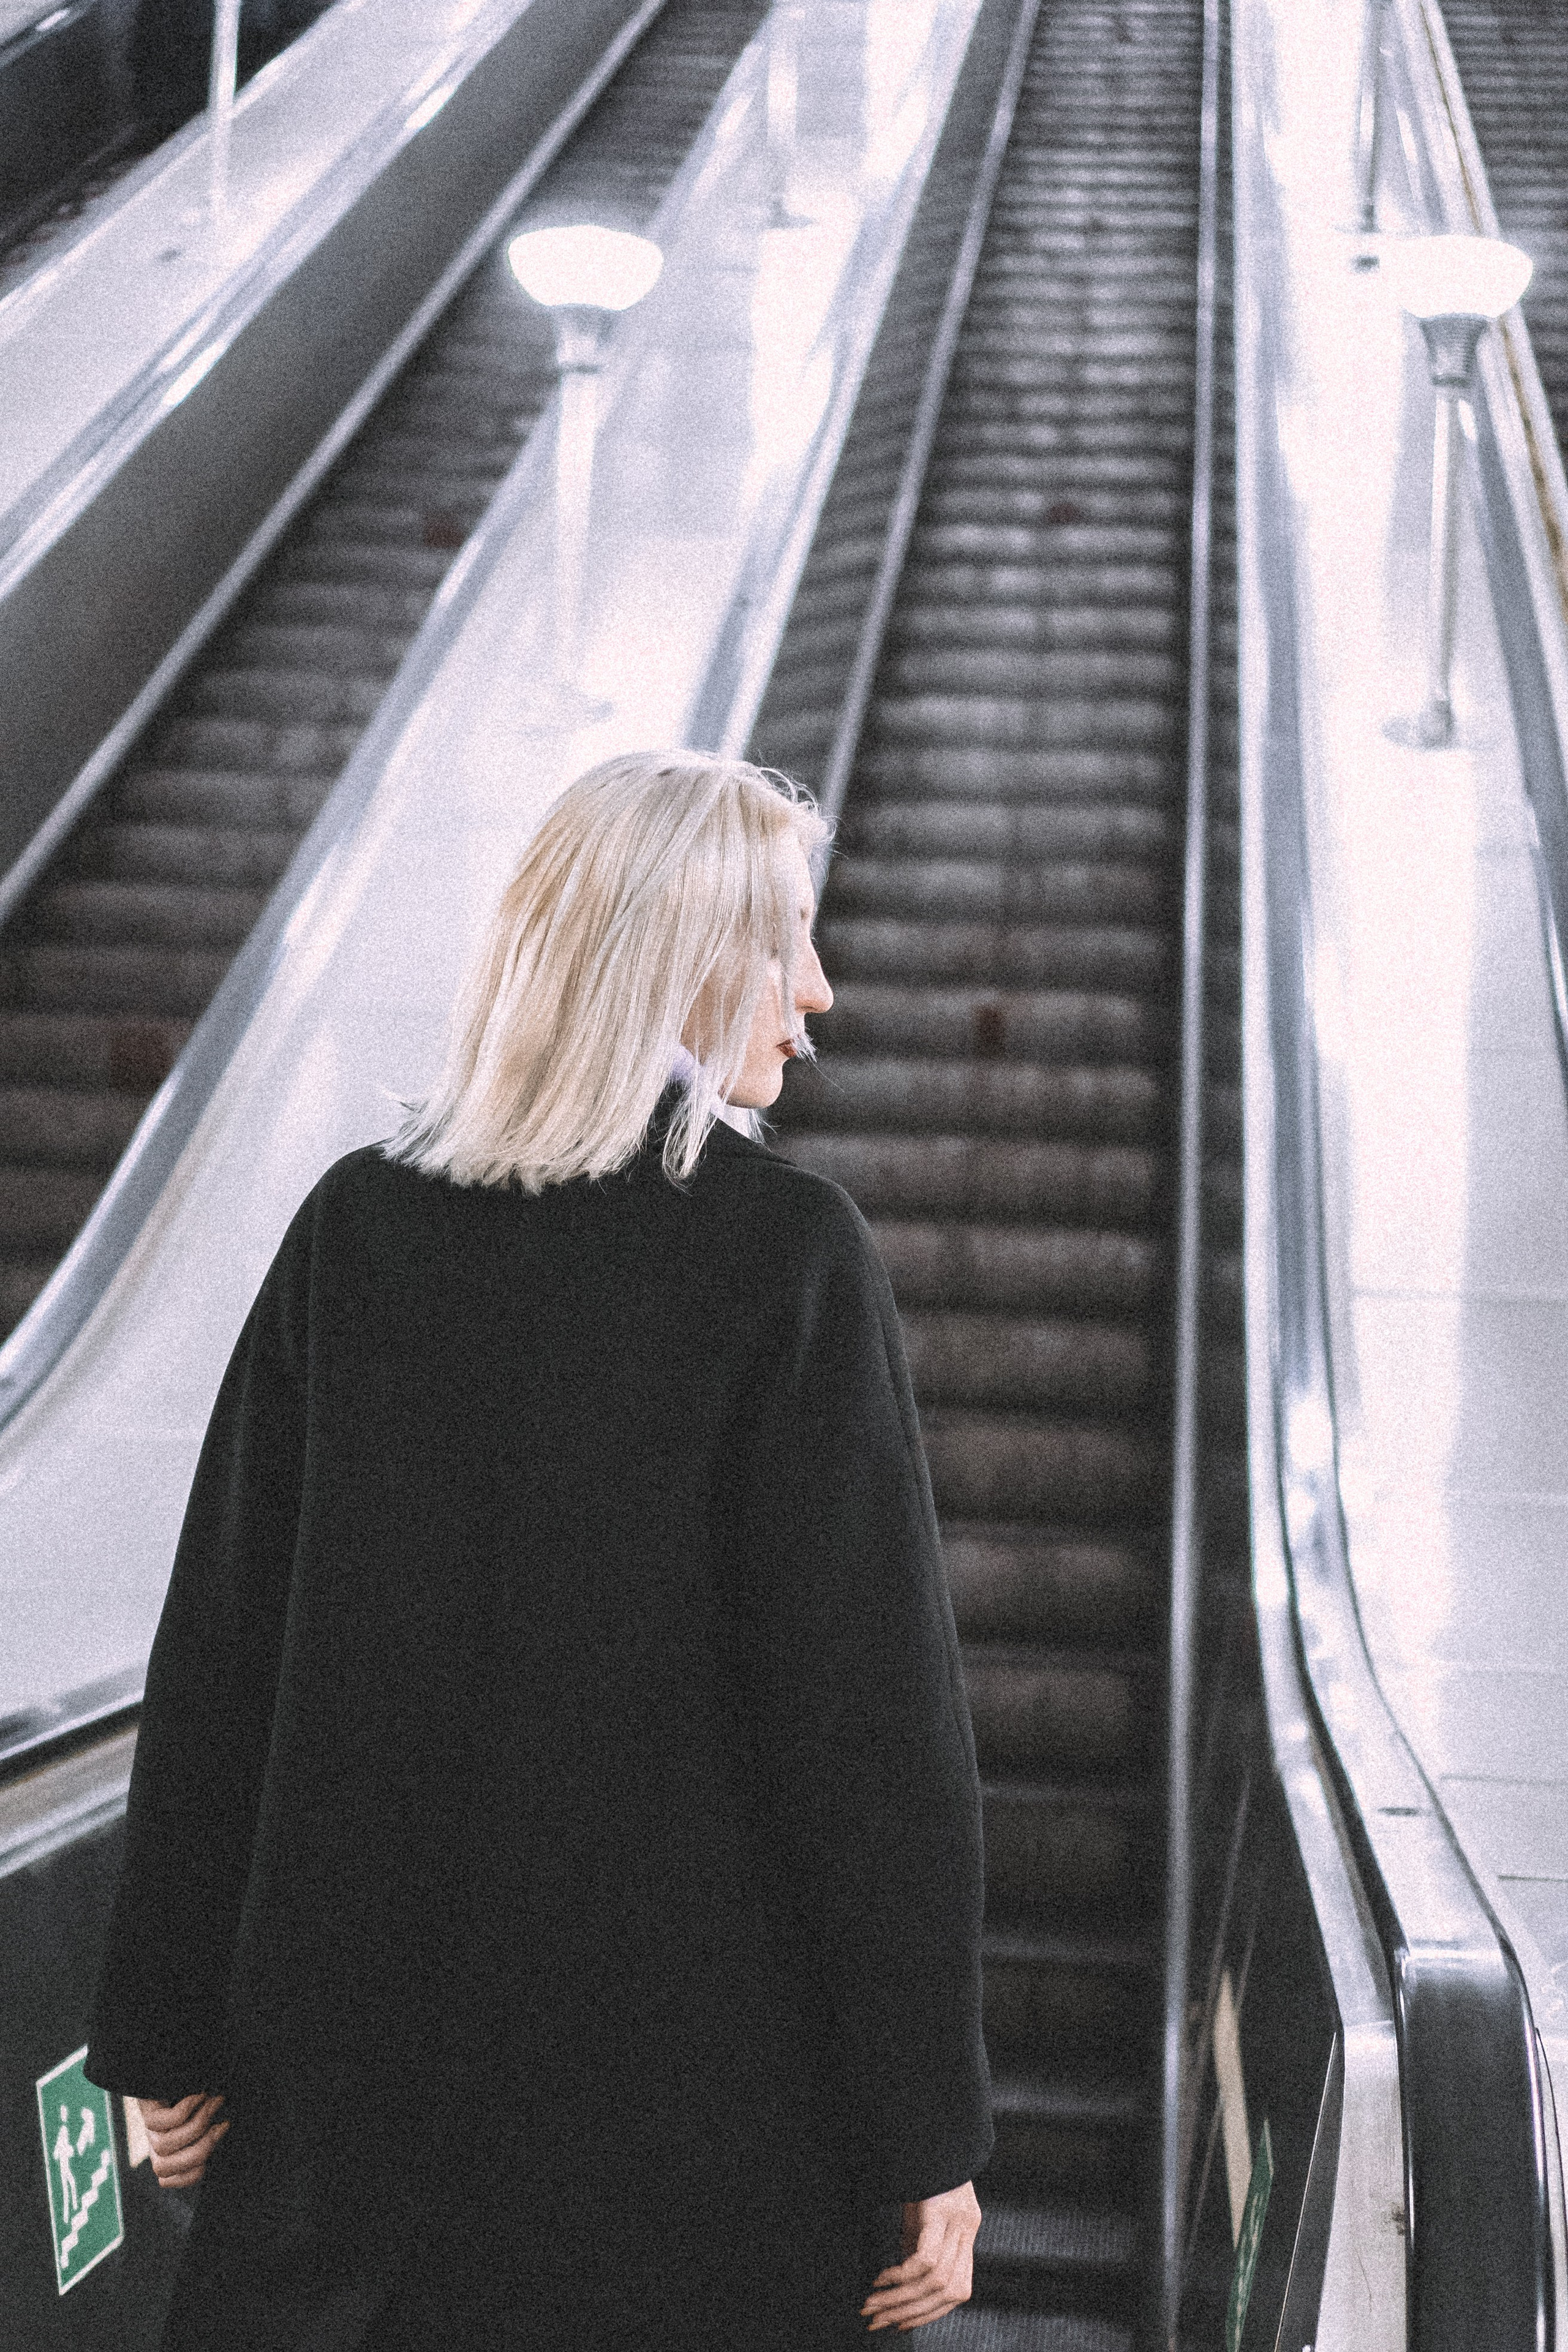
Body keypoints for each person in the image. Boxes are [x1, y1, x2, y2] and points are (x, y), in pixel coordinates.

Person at [86, 752, 993, 2351]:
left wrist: (161, 2021)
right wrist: (928, 2130)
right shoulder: (782, 1259)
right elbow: (868, 1731)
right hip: (691, 2143)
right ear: (681, 949)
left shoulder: (356, 1232)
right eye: (784, 937)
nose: (818, 991)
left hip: (354, 2128)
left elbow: (222, 1645)